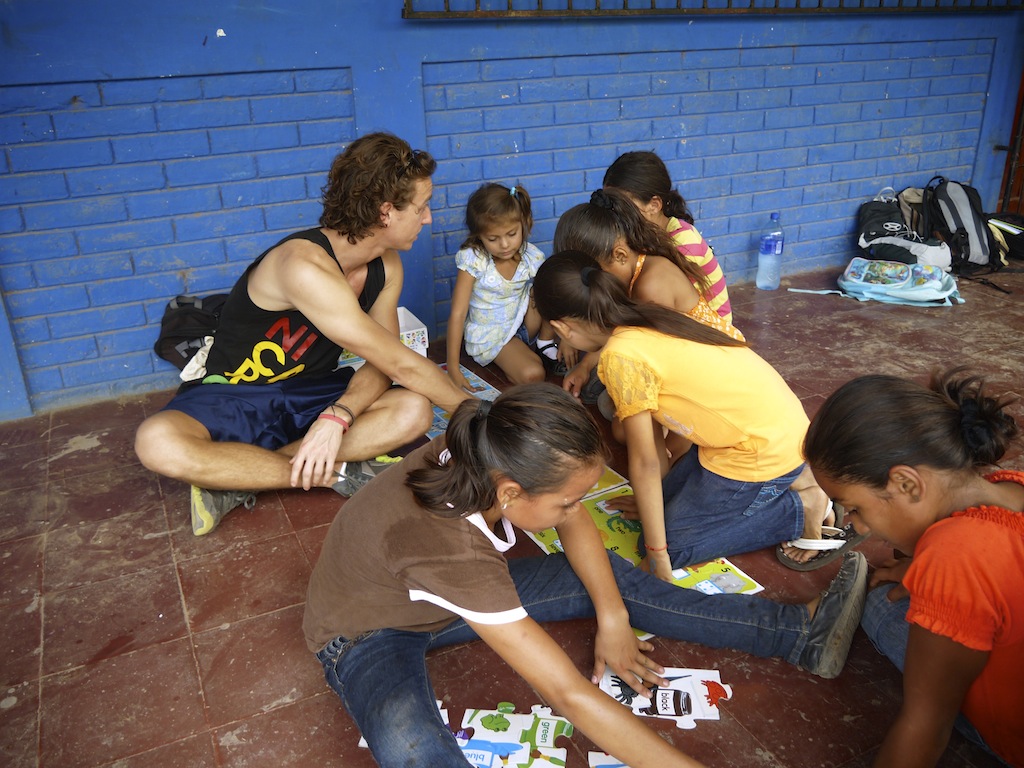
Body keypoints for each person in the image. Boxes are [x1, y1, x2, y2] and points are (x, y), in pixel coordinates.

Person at [304, 383, 869, 768]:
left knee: (601, 577)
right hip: (365, 629)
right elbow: (566, 693)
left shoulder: (488, 441)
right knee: (410, 743)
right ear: (511, 493)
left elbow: (571, 524)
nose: (579, 512)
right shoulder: (450, 547)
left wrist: (613, 614)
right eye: (569, 501)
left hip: (431, 590)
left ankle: (796, 632)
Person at [135, 132, 473, 536]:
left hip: (313, 392)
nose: (429, 217)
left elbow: (387, 360)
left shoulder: (387, 267)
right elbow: (402, 362)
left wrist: (340, 414)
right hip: (236, 395)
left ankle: (235, 476)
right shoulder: (303, 265)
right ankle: (329, 472)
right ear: (386, 213)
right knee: (155, 441)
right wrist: (480, 417)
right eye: (422, 207)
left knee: (414, 410)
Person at [532, 251, 849, 579]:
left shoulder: (621, 357)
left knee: (672, 546)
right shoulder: (641, 314)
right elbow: (653, 450)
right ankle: (794, 477)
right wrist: (655, 503)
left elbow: (645, 462)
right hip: (771, 429)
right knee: (658, 513)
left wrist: (657, 552)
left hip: (759, 450)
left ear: (562, 328)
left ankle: (801, 506)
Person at [803, 369, 1023, 768]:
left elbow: (925, 728)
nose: (858, 527)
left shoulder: (955, 555)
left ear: (907, 485)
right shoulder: (1011, 487)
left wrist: (938, 571)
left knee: (878, 602)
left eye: (854, 507)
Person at [553, 187, 743, 415]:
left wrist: (672, 438)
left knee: (614, 411)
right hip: (673, 361)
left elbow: (666, 367)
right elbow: (625, 332)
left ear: (620, 256)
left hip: (716, 379)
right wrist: (584, 366)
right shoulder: (631, 270)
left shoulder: (650, 286)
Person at [445, 182, 560, 391]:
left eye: (511, 234)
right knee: (534, 373)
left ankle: (544, 342)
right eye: (493, 238)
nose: (505, 245)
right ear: (479, 235)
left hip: (522, 325)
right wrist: (453, 367)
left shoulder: (530, 256)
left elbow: (555, 292)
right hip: (492, 334)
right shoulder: (475, 260)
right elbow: (458, 313)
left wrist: (567, 340)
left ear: (524, 224)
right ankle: (518, 356)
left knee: (547, 287)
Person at [603, 150, 733, 324]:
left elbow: (662, 309)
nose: (615, 213)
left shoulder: (685, 243)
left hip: (709, 333)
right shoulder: (638, 234)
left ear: (654, 205)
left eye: (623, 206)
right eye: (611, 205)